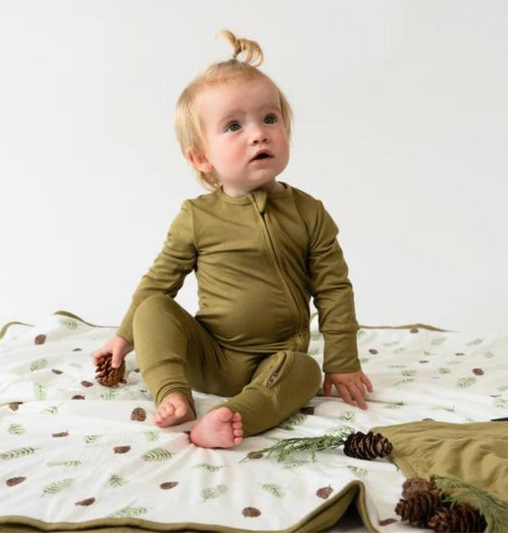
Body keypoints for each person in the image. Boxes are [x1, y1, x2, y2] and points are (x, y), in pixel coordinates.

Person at [92, 29, 373, 449]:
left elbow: (333, 290)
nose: (258, 134)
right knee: (153, 308)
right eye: (234, 126)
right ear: (201, 157)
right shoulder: (197, 217)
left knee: (305, 372)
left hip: (275, 362)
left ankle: (233, 416)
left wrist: (342, 361)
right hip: (209, 356)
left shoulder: (309, 212)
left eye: (270, 119)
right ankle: (173, 395)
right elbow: (160, 281)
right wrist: (123, 336)